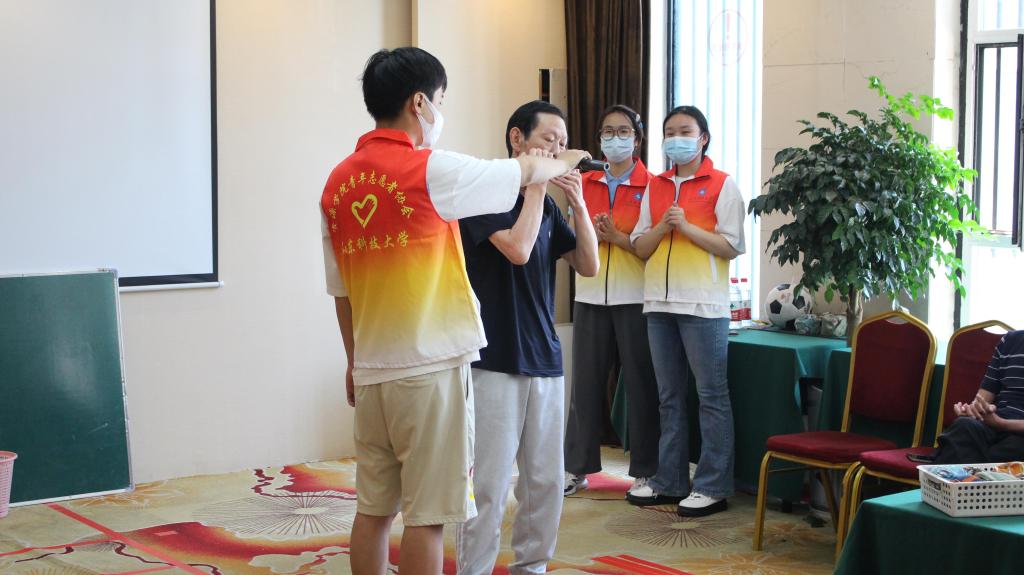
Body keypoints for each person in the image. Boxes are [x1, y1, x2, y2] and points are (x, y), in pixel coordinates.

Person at [319, 48, 590, 575]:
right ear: (419, 103)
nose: (439, 111)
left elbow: (341, 292)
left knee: (373, 511)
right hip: (430, 370)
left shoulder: (338, 183)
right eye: (439, 101)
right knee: (428, 516)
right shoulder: (431, 169)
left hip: (372, 369)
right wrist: (564, 158)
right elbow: (525, 169)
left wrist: (353, 361)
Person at [455, 100, 599, 575]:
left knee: (544, 479)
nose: (557, 151)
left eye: (563, 143)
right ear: (517, 139)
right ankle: (474, 569)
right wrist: (537, 184)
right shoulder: (483, 195)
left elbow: (588, 264)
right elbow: (518, 249)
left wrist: (578, 204)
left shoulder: (550, 207)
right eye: (548, 140)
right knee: (490, 481)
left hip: (545, 358)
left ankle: (532, 566)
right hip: (494, 357)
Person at [625, 106, 746, 518]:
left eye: (685, 131)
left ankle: (712, 485)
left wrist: (688, 228)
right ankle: (670, 480)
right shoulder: (656, 186)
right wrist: (663, 226)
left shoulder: (722, 184)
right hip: (658, 303)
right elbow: (641, 246)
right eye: (670, 132)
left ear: (703, 138)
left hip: (703, 305)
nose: (676, 138)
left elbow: (732, 246)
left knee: (711, 396)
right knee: (669, 398)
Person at [563, 104, 660, 496]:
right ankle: (576, 467)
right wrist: (590, 234)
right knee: (584, 385)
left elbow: (653, 245)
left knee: (641, 384)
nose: (614, 138)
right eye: (607, 131)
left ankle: (647, 469)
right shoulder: (584, 182)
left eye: (623, 131)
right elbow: (570, 234)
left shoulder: (653, 185)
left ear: (636, 139)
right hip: (589, 294)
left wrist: (617, 237)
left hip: (636, 296)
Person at [930, 330, 1024, 464]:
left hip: (1015, 430)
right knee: (964, 425)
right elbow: (981, 400)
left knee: (1011, 447)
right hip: (996, 422)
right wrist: (972, 411)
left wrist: (1001, 424)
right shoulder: (1009, 341)